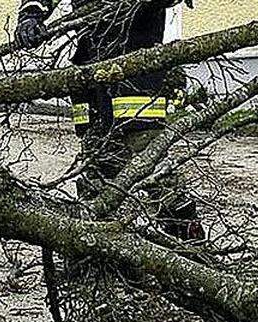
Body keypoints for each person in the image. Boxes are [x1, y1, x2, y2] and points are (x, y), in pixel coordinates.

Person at [15, 0, 204, 241]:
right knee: (95, 185)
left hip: (137, 83)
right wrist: (30, 16)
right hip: (93, 89)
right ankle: (99, 262)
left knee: (159, 179)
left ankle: (190, 251)